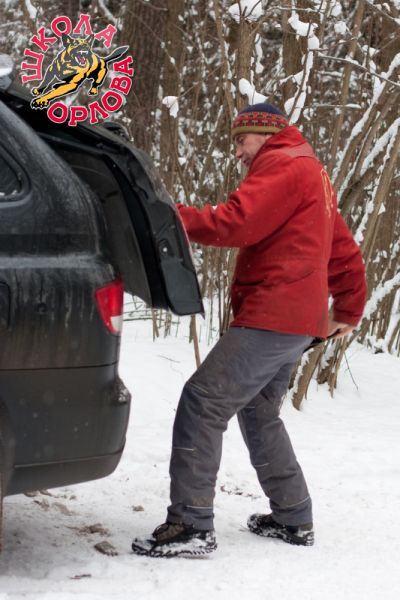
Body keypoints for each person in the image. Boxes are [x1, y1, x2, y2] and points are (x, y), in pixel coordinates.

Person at [131, 103, 367, 558]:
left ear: (266, 133)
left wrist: (166, 217)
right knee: (259, 411)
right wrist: (349, 307)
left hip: (274, 314)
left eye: (242, 140)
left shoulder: (283, 163)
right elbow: (342, 249)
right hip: (296, 321)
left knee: (203, 401)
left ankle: (191, 525)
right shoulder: (311, 171)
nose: (238, 151)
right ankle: (293, 516)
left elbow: (235, 222)